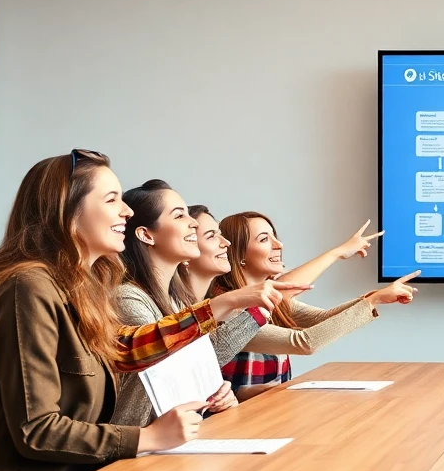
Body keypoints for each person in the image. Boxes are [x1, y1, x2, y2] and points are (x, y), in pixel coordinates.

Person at [0, 151, 290, 471]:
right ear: (67, 214)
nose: (127, 211)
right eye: (111, 199)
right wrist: (148, 438)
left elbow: (129, 349)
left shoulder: (84, 290)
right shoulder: (29, 289)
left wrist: (218, 308)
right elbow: (37, 431)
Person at [110, 181, 309, 428]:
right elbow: (166, 368)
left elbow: (199, 363)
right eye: (179, 215)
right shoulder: (127, 298)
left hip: (180, 440)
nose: (193, 223)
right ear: (146, 235)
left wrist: (218, 393)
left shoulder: (176, 300)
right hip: (140, 448)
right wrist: (244, 303)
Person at [211, 211, 421, 397]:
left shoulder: (269, 301)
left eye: (275, 236)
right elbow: (304, 341)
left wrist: (375, 298)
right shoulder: (232, 309)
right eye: (265, 239)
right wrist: (371, 298)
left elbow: (322, 319)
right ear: (240, 256)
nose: (279, 245)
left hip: (264, 411)